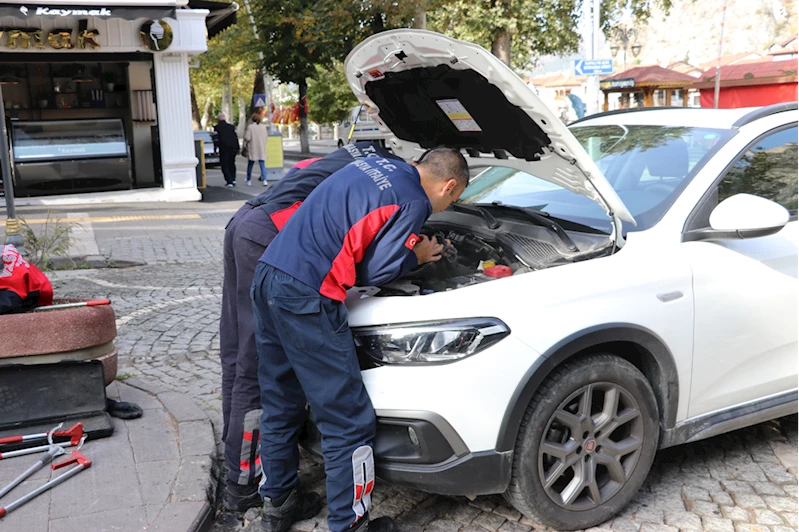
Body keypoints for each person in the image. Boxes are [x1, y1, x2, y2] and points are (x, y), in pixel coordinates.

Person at [251, 148, 470, 532]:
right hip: (307, 294)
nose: (443, 206)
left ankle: (278, 503)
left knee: (280, 399)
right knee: (348, 420)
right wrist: (418, 253)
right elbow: (375, 269)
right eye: (452, 199)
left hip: (270, 273)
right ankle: (350, 525)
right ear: (449, 185)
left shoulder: (375, 165)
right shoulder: (414, 200)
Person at [219, 142, 402, 513]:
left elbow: (304, 173)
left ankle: (241, 469)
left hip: (245, 221)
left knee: (237, 357)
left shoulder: (355, 155)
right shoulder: (393, 176)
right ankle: (244, 485)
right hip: (269, 238)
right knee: (256, 374)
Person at [215, 113, 239, 187]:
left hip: (223, 148)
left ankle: (229, 181)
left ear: (218, 119)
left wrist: (215, 149)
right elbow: (236, 137)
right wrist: (238, 148)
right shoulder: (231, 127)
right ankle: (233, 178)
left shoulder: (217, 128)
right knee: (231, 163)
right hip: (233, 147)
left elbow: (216, 139)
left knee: (224, 164)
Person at [244, 114, 268, 186]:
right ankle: (265, 180)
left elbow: (248, 137)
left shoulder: (250, 127)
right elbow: (266, 138)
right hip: (261, 148)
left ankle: (249, 180)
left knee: (250, 164)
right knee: (262, 164)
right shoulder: (263, 127)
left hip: (253, 148)